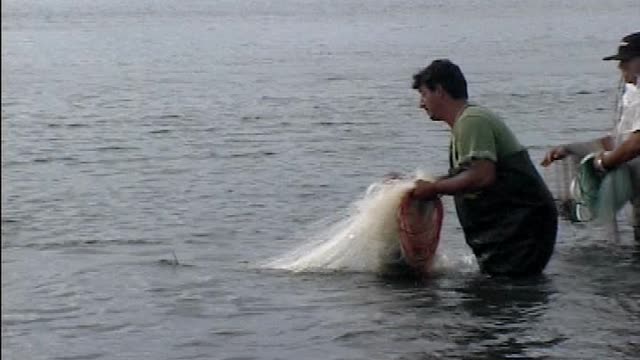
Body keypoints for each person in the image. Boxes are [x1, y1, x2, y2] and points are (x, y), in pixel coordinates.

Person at [409, 59, 558, 277]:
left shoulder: (472, 121)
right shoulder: (466, 123)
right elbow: (465, 175)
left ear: (439, 91)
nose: (421, 104)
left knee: (504, 295)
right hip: (513, 230)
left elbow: (481, 176)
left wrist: (434, 189)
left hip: (522, 230)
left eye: (423, 94)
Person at [541, 32, 640, 241]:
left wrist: (602, 163)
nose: (620, 68)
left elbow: (634, 145)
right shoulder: (633, 95)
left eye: (625, 62)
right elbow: (618, 140)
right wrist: (572, 149)